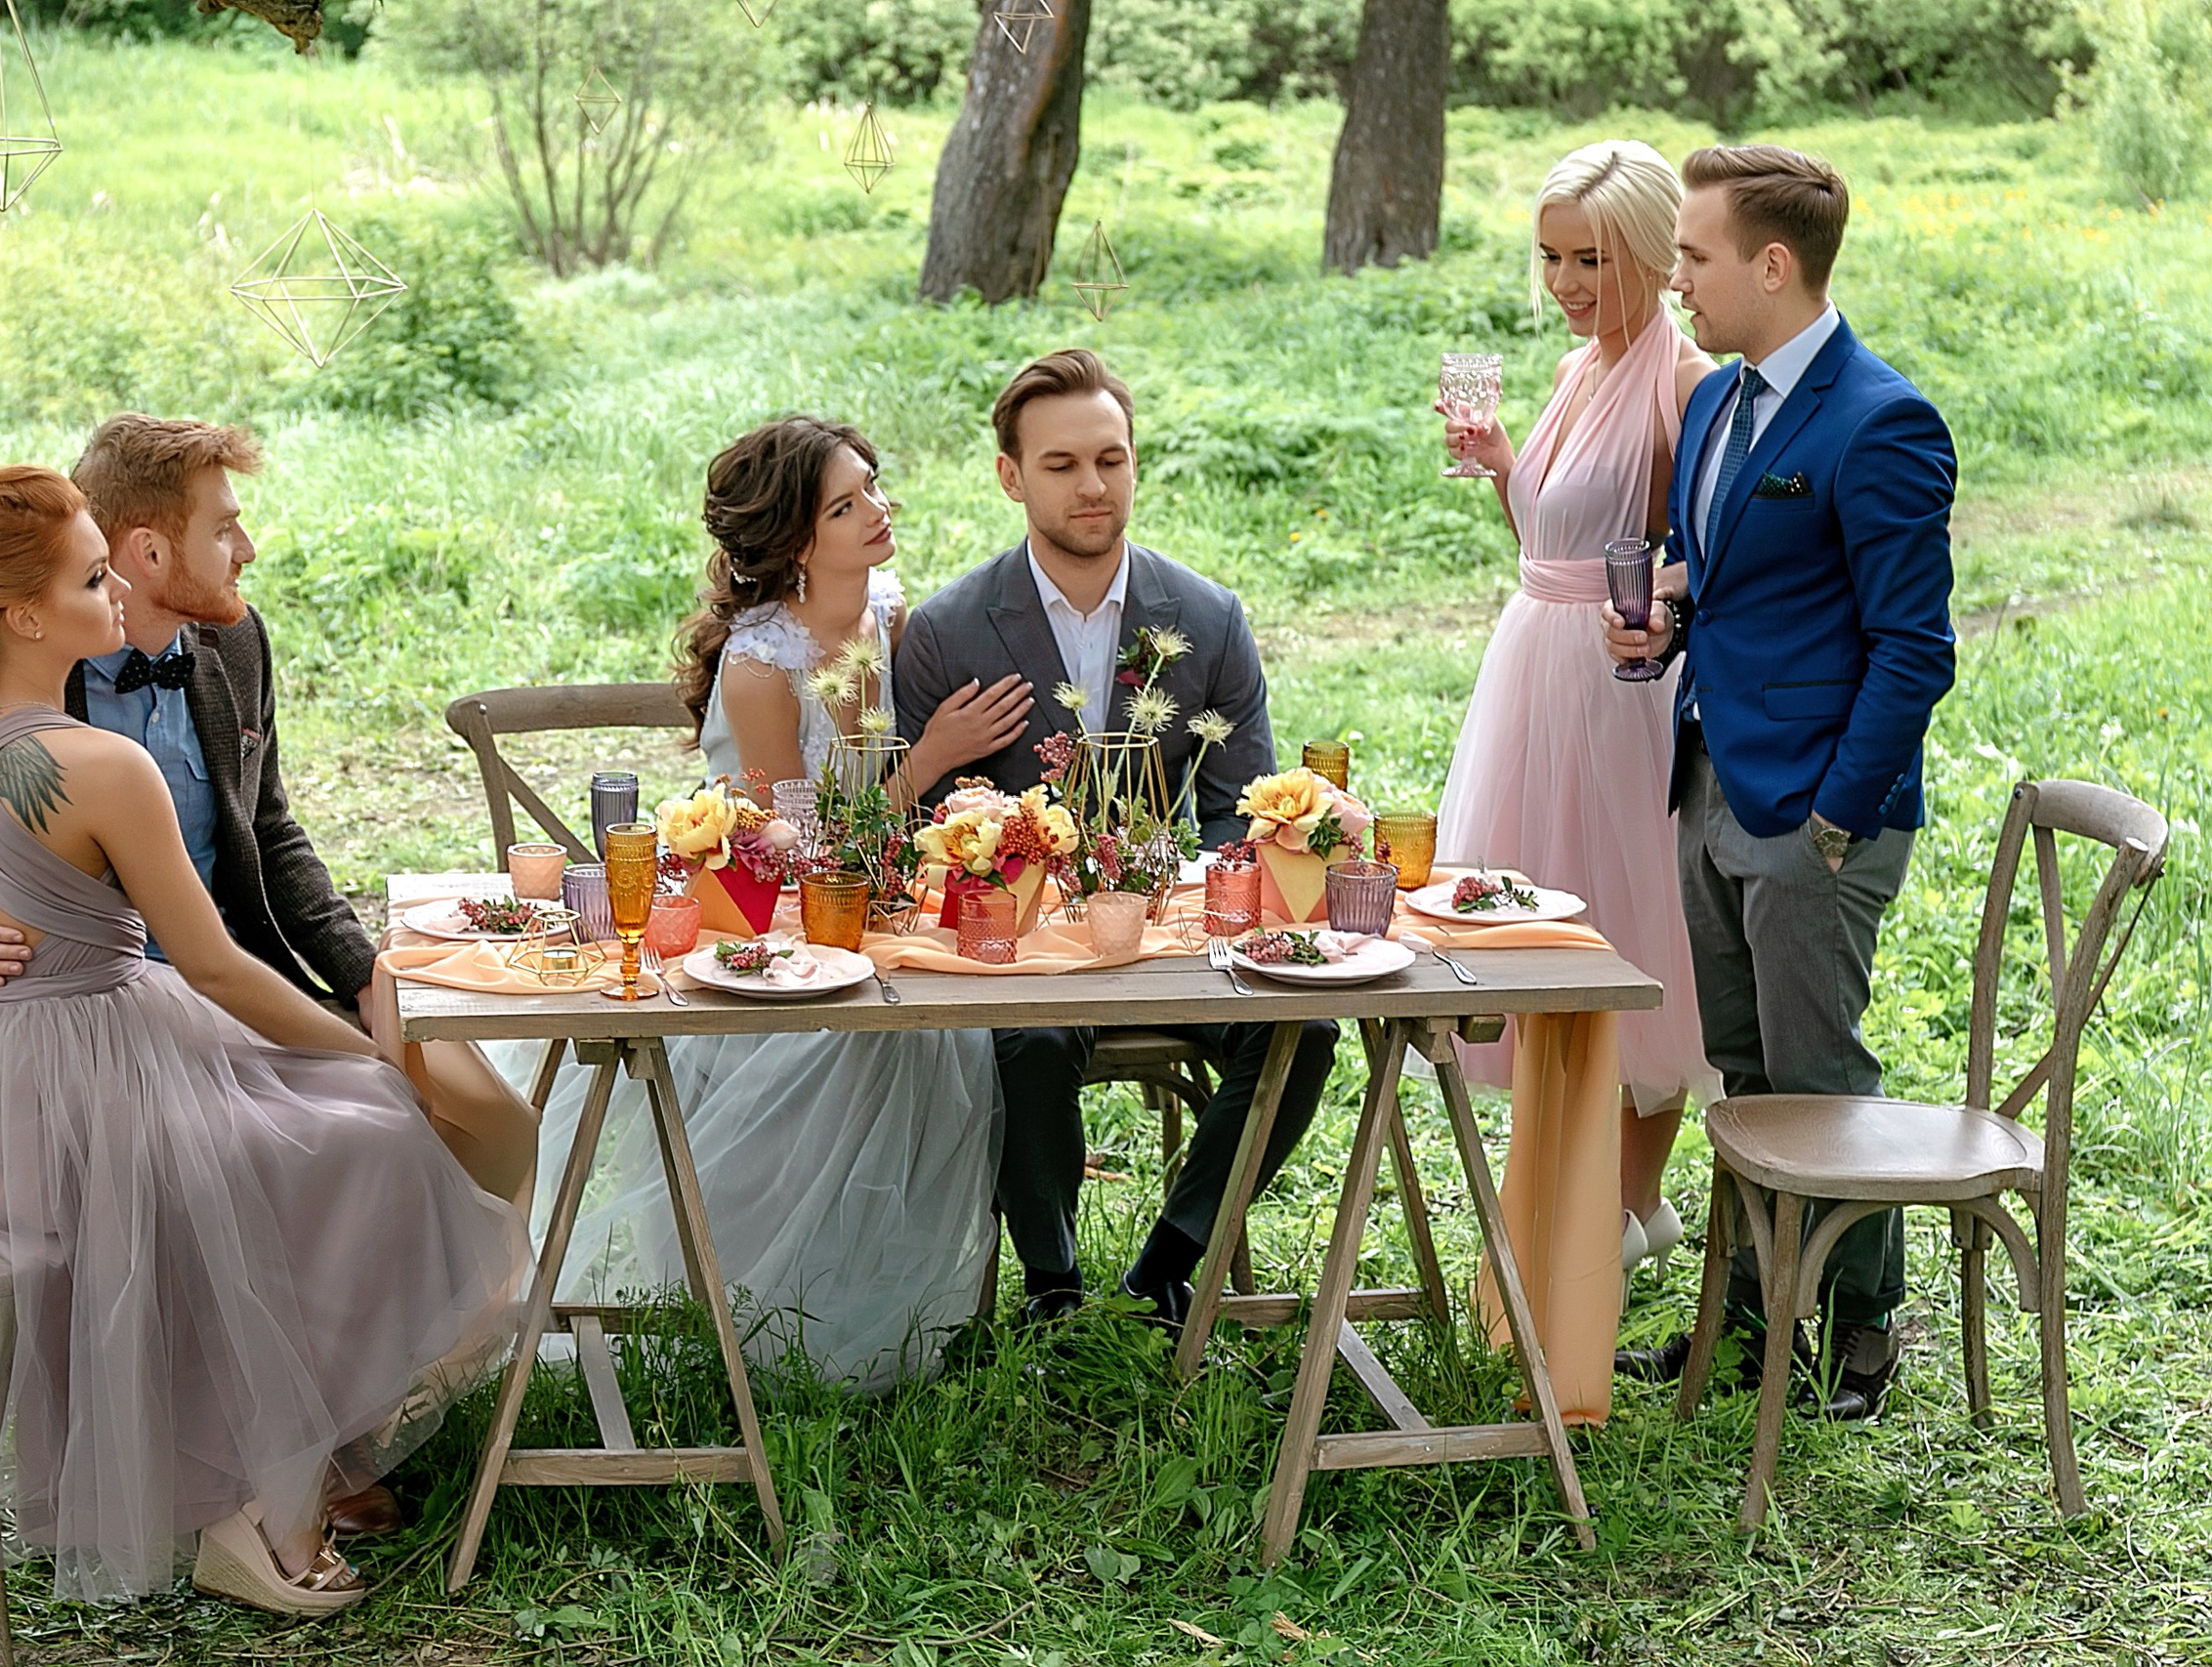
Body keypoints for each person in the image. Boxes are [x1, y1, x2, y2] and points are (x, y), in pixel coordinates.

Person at [0, 466, 529, 1613]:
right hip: (101, 1063)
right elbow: (210, 967)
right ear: (30, 615)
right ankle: (267, 1493)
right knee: (364, 1131)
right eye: (93, 576)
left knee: (304, 1131)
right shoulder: (102, 766)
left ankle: (270, 1469)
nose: (113, 591)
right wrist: (364, 1053)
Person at [504, 416, 1024, 1395]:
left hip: (875, 918)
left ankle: (895, 1311)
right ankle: (775, 1331)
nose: (877, 511)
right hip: (757, 934)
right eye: (845, 504)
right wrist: (932, 758)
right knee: (853, 1037)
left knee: (937, 1020)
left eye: (872, 486)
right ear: (793, 542)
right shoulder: (759, 666)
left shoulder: (900, 618)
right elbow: (796, 855)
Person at [1606, 145, 1957, 1419]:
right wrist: (1667, 623)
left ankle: (1859, 1331)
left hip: (1815, 809)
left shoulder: (1882, 420)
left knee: (1818, 1078)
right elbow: (1722, 574)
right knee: (1747, 1073)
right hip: (1706, 782)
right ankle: (1758, 1325)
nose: (1675, 278)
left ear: (1771, 262)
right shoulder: (1714, 403)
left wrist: (1835, 818)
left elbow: (1915, 649)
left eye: (1693, 256)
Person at [894, 348, 1339, 1329]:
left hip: (1170, 932)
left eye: (1111, 458)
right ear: (1011, 476)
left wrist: (1209, 880)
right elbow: (922, 838)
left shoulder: (1209, 619)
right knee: (1028, 1039)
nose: (1092, 485)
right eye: (1061, 465)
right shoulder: (946, 630)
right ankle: (1050, 1280)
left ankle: (1170, 1263)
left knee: (1305, 1032)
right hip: (1017, 950)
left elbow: (1237, 812)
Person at [1436, 141, 1722, 1279]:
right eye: (1549, 257)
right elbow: (1549, 544)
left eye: (1588, 258)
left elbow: (1708, 552)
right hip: (1528, 668)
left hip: (1613, 686)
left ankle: (1632, 1195)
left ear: (1651, 253)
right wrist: (1508, 465)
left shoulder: (1680, 378)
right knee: (1535, 910)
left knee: (1623, 918)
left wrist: (1657, 597)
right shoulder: (1572, 371)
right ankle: (1592, 1188)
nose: (1563, 283)